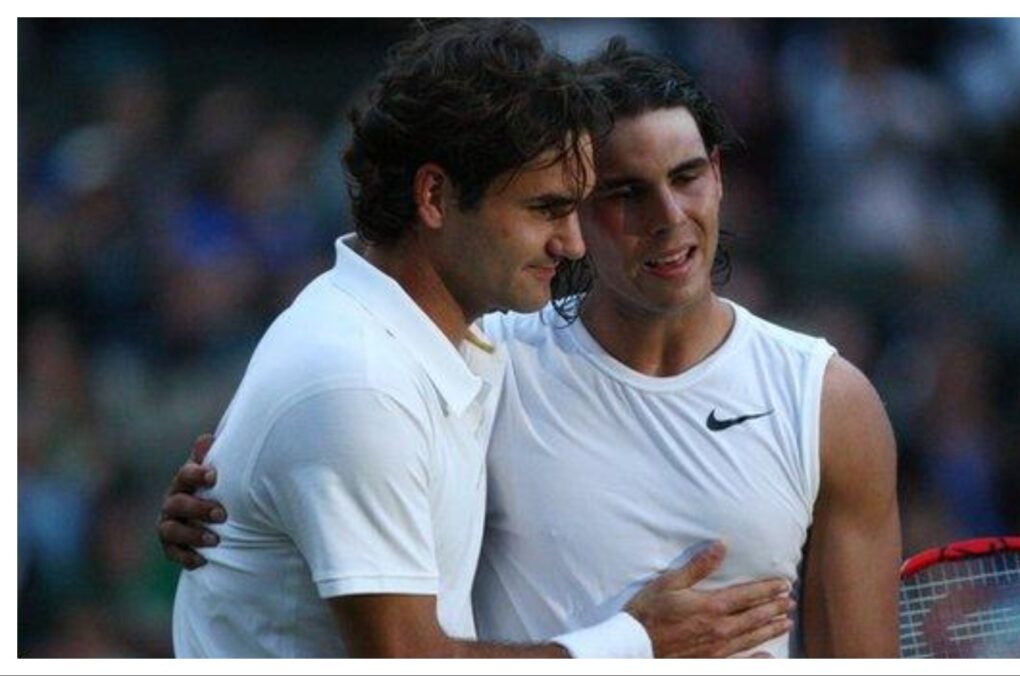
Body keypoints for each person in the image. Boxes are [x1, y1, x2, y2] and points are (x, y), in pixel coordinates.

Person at [161, 34, 898, 657]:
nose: (670, 217)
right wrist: (233, 518)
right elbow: (334, 424)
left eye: (687, 176)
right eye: (622, 193)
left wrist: (239, 513)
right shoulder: (475, 359)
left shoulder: (827, 403)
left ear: (720, 176)